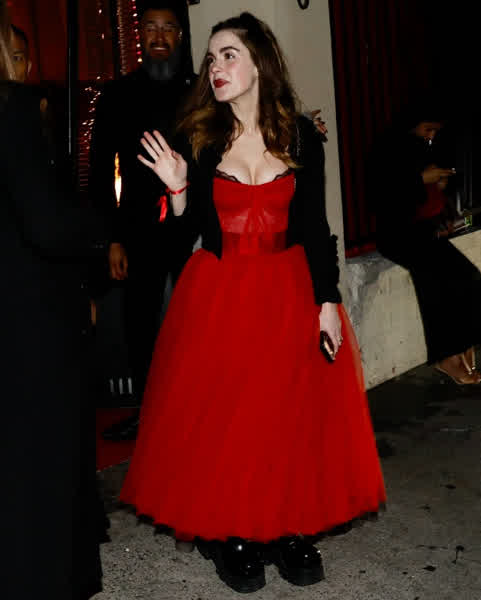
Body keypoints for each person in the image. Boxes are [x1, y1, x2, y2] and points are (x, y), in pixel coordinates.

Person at [120, 12, 386, 593]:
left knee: (288, 413)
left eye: (229, 55)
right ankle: (233, 530)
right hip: (219, 290)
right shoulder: (198, 138)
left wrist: (327, 302)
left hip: (288, 286)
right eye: (210, 59)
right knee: (231, 417)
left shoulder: (301, 136)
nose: (216, 67)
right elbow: (174, 245)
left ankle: (289, 525)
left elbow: (314, 228)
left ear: (259, 62)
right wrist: (178, 189)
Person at [0, 7, 107, 598]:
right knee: (41, 460)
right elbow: (45, 223)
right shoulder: (13, 108)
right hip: (30, 313)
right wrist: (98, 228)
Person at [89, 0, 197, 442]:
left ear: (179, 37)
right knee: (140, 325)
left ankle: (198, 408)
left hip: (192, 223)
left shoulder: (199, 92)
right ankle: (149, 414)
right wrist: (111, 239)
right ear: (140, 35)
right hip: (136, 228)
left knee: (197, 320)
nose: (159, 36)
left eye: (167, 28)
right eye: (150, 27)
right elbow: (100, 171)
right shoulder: (118, 95)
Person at [373, 102, 481, 385]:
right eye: (427, 129)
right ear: (412, 124)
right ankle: (447, 356)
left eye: (435, 131)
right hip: (396, 233)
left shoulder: (421, 148)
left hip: (422, 232)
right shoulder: (388, 148)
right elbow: (387, 196)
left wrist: (439, 185)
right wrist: (420, 180)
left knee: (468, 275)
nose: (431, 136)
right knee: (434, 280)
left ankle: (464, 345)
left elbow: (428, 201)